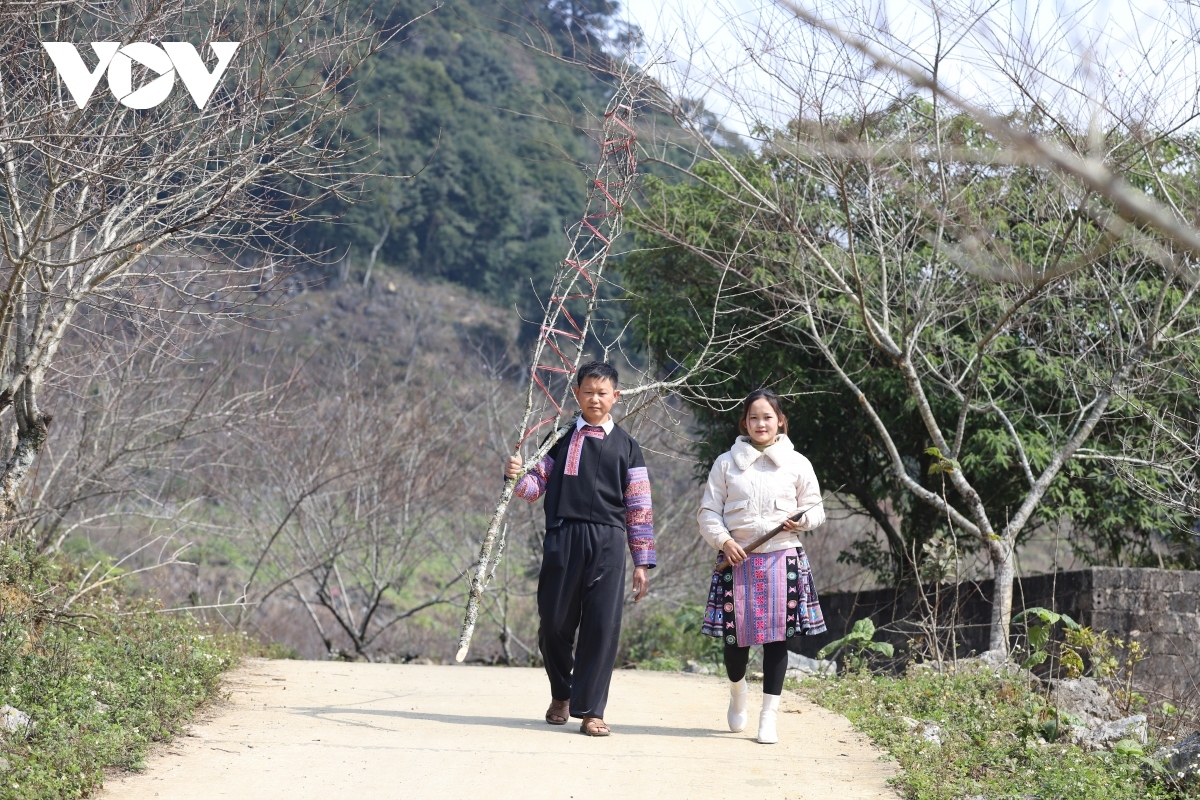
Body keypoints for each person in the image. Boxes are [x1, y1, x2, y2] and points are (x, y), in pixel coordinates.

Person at [506, 361, 655, 737]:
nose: (595, 398)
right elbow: (532, 489)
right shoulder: (559, 437)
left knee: (601, 627)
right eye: (588, 391)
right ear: (576, 394)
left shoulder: (628, 447)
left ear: (616, 397)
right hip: (562, 536)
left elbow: (638, 507)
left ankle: (591, 710)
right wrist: (514, 475)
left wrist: (641, 561)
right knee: (553, 622)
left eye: (603, 392)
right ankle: (562, 693)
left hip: (608, 541)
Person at [698, 388, 826, 744]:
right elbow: (709, 511)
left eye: (768, 417)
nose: (761, 423)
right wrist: (725, 540)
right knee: (735, 643)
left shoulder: (798, 463)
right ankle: (738, 692)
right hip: (737, 560)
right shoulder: (725, 463)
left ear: (780, 421)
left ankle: (768, 716)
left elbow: (816, 508)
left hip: (783, 559)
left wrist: (801, 521)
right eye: (753, 417)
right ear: (744, 422)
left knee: (776, 642)